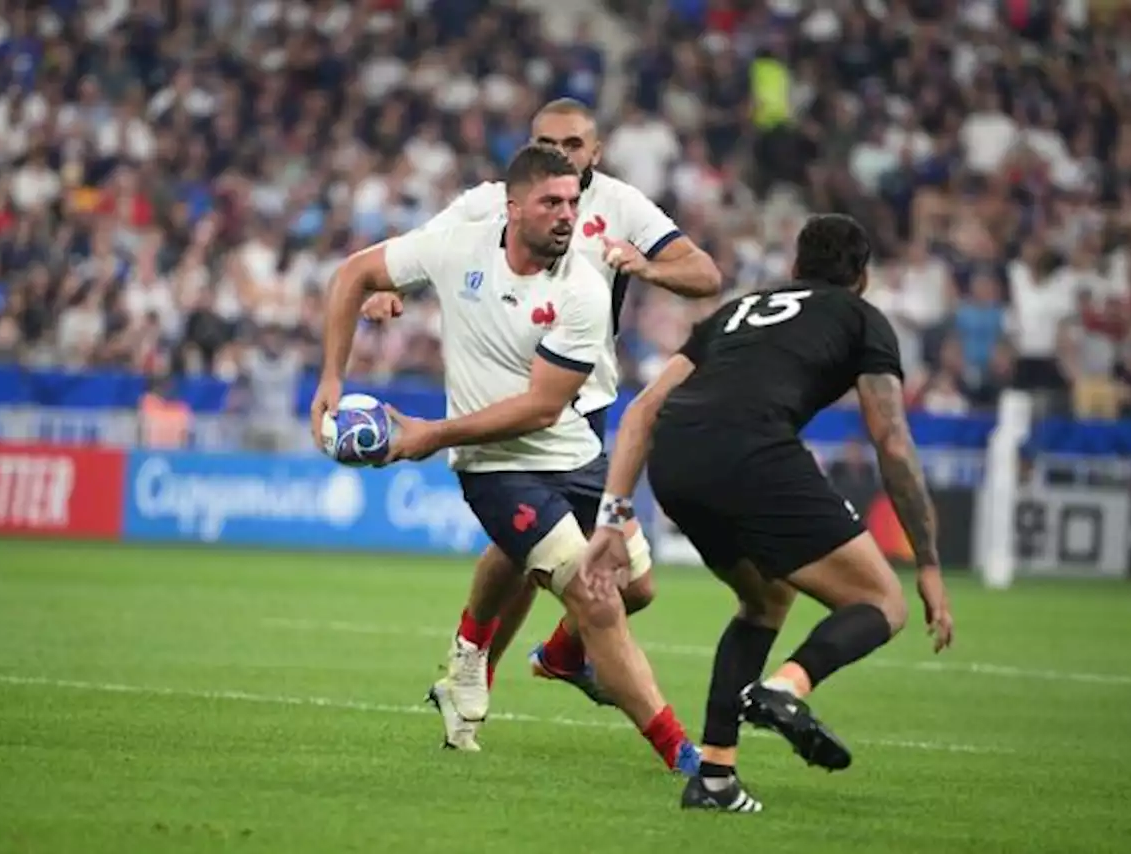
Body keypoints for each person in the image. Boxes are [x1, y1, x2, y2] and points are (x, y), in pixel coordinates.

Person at [311, 145, 700, 775]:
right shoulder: (456, 246)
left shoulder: (582, 288)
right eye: (552, 202)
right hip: (496, 469)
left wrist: (430, 434)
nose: (567, 215)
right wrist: (331, 376)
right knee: (596, 598)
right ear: (513, 208)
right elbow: (354, 272)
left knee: (639, 589)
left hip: (574, 455)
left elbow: (542, 408)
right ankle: (685, 756)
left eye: (573, 202)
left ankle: (501, 654)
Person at [580, 214, 956, 812]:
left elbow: (647, 406)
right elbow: (891, 441)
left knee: (765, 600)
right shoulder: (863, 318)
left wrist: (614, 517)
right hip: (752, 452)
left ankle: (715, 778)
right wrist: (929, 563)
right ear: (861, 277)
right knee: (882, 603)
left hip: (676, 461)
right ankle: (785, 688)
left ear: (794, 268)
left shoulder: (740, 310)